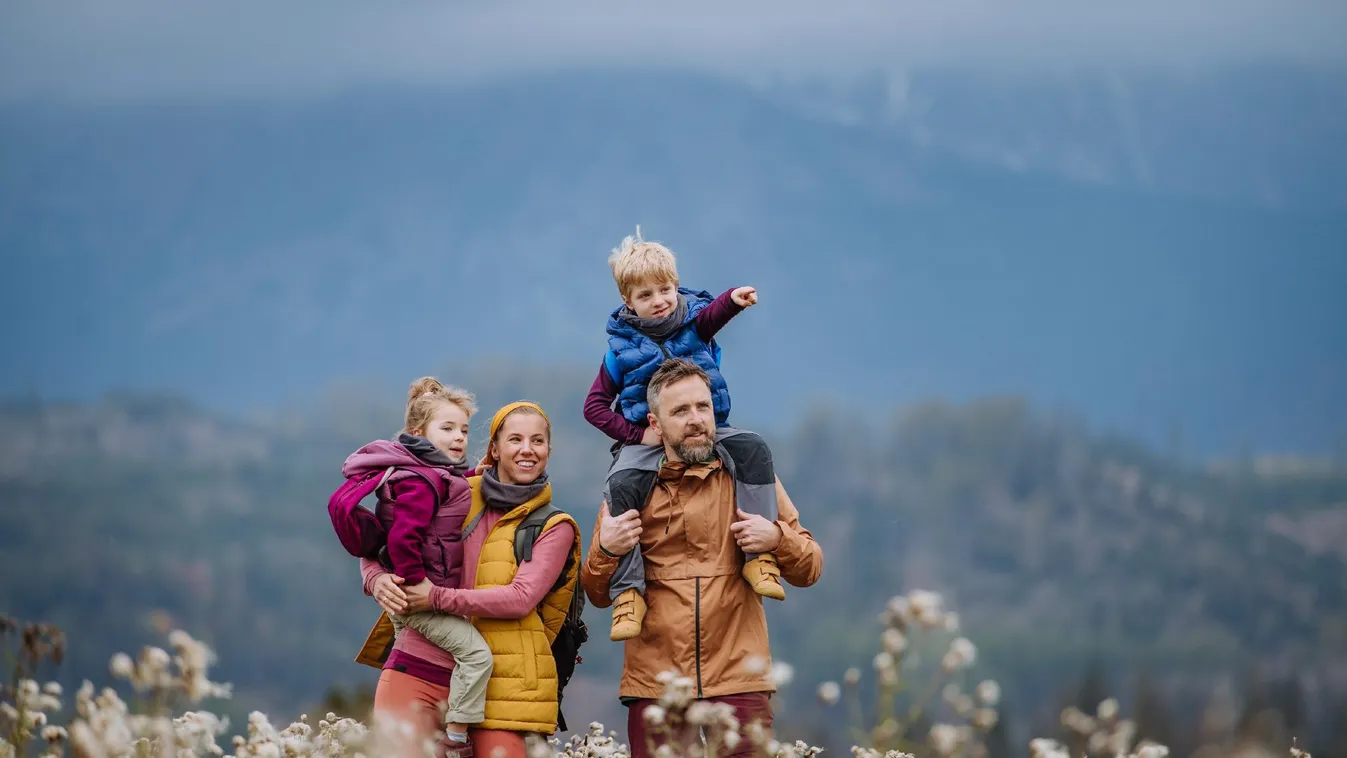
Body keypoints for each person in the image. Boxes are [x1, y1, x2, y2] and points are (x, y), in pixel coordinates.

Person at [580, 358, 824, 758]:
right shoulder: (627, 487)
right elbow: (597, 593)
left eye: (702, 407)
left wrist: (777, 537)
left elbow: (810, 567)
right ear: (655, 425)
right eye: (680, 411)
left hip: (740, 682)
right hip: (656, 686)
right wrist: (607, 549)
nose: (695, 420)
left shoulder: (748, 478)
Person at [582, 227, 785, 642]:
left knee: (753, 449)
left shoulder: (695, 322)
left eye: (666, 290)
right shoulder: (619, 350)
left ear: (676, 287)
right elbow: (594, 407)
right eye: (646, 295)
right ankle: (628, 594)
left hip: (708, 431)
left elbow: (714, 314)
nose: (659, 301)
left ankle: (758, 555)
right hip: (648, 438)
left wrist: (734, 299)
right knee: (620, 484)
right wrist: (638, 437)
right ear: (628, 302)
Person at [357, 401, 582, 758]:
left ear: (548, 451)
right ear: (494, 448)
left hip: (501, 691)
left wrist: (434, 597)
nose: (527, 449)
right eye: (515, 439)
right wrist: (375, 578)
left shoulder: (555, 527)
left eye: (538, 441)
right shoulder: (451, 489)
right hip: (417, 667)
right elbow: (379, 539)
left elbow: (520, 598)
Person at [337, 377, 489, 755]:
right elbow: (403, 537)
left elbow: (442, 501)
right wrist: (421, 588)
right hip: (417, 598)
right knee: (477, 655)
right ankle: (457, 737)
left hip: (414, 597)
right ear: (418, 433)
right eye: (448, 428)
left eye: (464, 430)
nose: (459, 438)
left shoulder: (429, 474)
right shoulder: (421, 482)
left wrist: (474, 476)